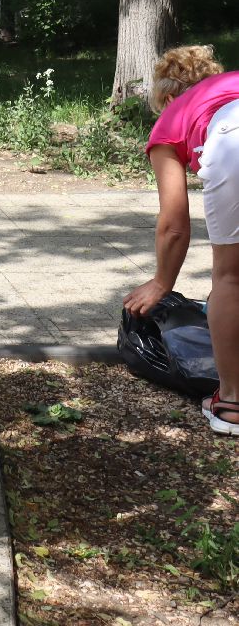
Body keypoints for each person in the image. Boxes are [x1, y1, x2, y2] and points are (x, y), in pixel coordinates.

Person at [125, 45, 239, 435]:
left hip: (232, 140)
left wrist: (161, 282)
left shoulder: (174, 114)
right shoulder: (230, 84)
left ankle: (232, 405)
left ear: (169, 96)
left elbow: (174, 222)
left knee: (230, 279)